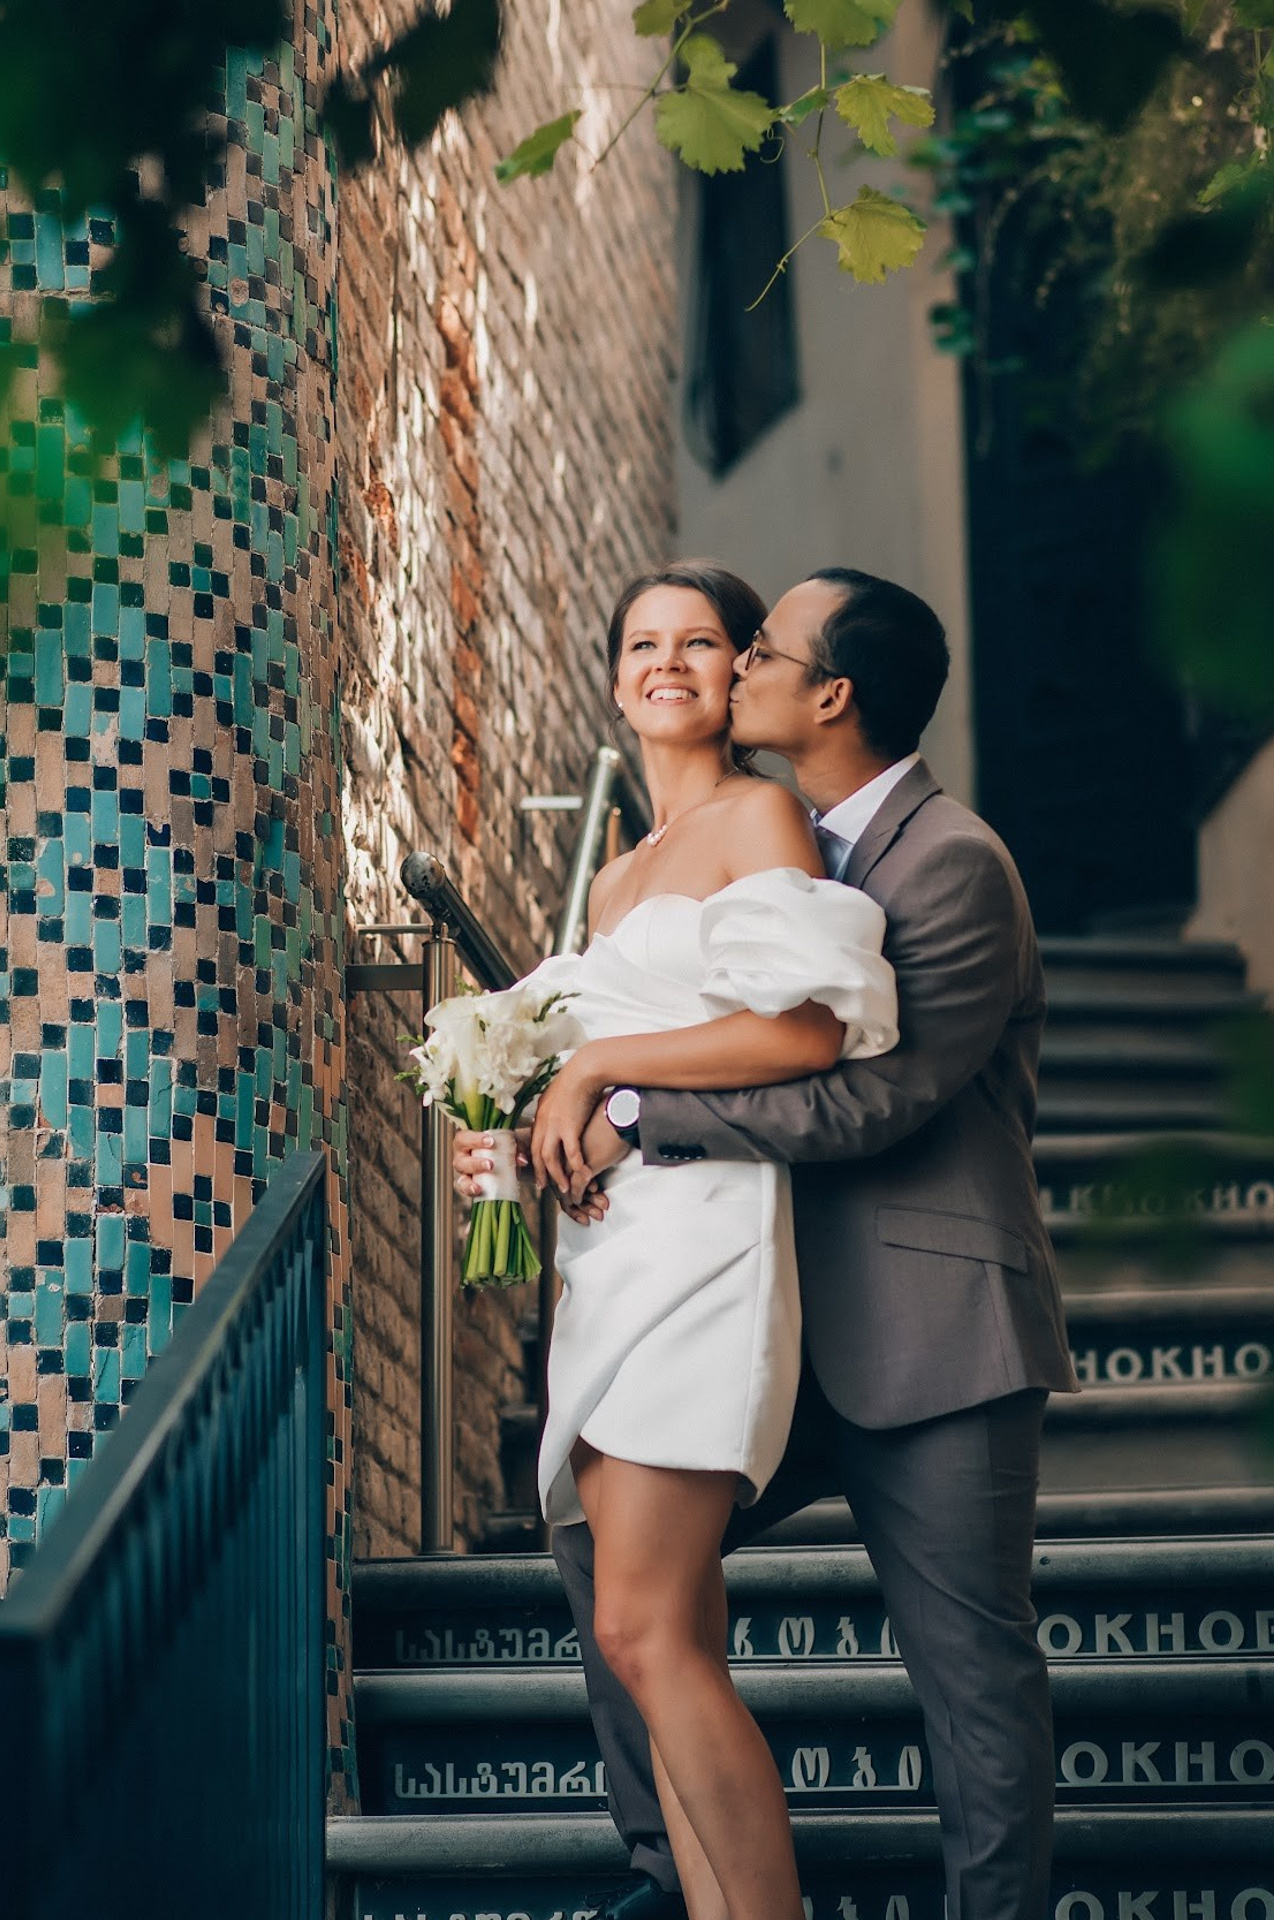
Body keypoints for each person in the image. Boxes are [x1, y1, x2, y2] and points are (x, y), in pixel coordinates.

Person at [457, 567, 1078, 1920]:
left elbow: (873, 1096)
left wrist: (632, 1110)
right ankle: (668, 1874)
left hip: (925, 1335)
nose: (730, 670)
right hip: (765, 1302)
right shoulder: (751, 840)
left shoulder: (953, 862)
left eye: (754, 651)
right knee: (611, 1564)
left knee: (971, 1674)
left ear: (831, 693)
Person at [495, 561, 902, 1920]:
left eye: (702, 641)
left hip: (710, 1246)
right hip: (609, 1258)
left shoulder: (758, 815)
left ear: (741, 672)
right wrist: (527, 1126)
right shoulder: (615, 877)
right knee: (651, 1640)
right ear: (615, 679)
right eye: (641, 644)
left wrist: (597, 1064)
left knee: (643, 1628)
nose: (667, 662)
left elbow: (805, 1031)